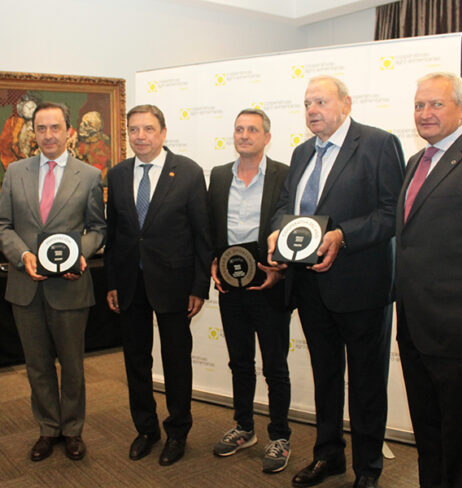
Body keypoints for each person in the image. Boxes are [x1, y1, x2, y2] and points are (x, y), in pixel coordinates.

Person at [268, 75, 405, 488]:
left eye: (321, 102)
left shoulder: (379, 144)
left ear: (346, 103)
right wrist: (276, 232)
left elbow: (392, 213)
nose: (312, 110)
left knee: (365, 383)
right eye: (307, 103)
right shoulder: (301, 152)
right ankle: (328, 456)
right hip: (310, 286)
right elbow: (285, 206)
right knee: (325, 377)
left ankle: (367, 468)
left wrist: (342, 235)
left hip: (361, 286)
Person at [395, 72, 462, 488]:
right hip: (415, 327)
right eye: (419, 105)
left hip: (460, 332)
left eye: (436, 104)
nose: (425, 113)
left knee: (458, 439)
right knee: (428, 435)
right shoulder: (415, 162)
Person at [0, 102, 106, 462]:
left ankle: (72, 430)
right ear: (33, 133)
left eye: (55, 127)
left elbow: (98, 228)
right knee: (37, 365)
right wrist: (23, 255)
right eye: (41, 128)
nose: (48, 135)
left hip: (69, 286)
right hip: (26, 287)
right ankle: (48, 428)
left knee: (72, 365)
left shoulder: (89, 175)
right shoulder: (15, 172)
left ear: (68, 132)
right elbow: (1, 225)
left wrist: (80, 253)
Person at [104, 104, 211, 466]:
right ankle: (146, 429)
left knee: (176, 361)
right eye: (133, 130)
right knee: (136, 360)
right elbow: (115, 235)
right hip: (130, 283)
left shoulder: (188, 172)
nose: (140, 136)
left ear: (163, 133)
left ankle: (178, 432)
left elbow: (202, 234)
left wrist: (199, 286)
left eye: (148, 129)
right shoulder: (118, 174)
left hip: (175, 283)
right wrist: (113, 282)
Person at [207, 109, 292, 473]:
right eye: (239, 129)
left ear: (266, 137)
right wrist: (213, 263)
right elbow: (211, 225)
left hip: (268, 284)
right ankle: (244, 427)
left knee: (275, 366)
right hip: (230, 284)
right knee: (240, 362)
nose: (244, 135)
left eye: (252, 130)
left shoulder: (284, 174)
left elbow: (291, 225)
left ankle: (280, 436)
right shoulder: (218, 175)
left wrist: (280, 269)